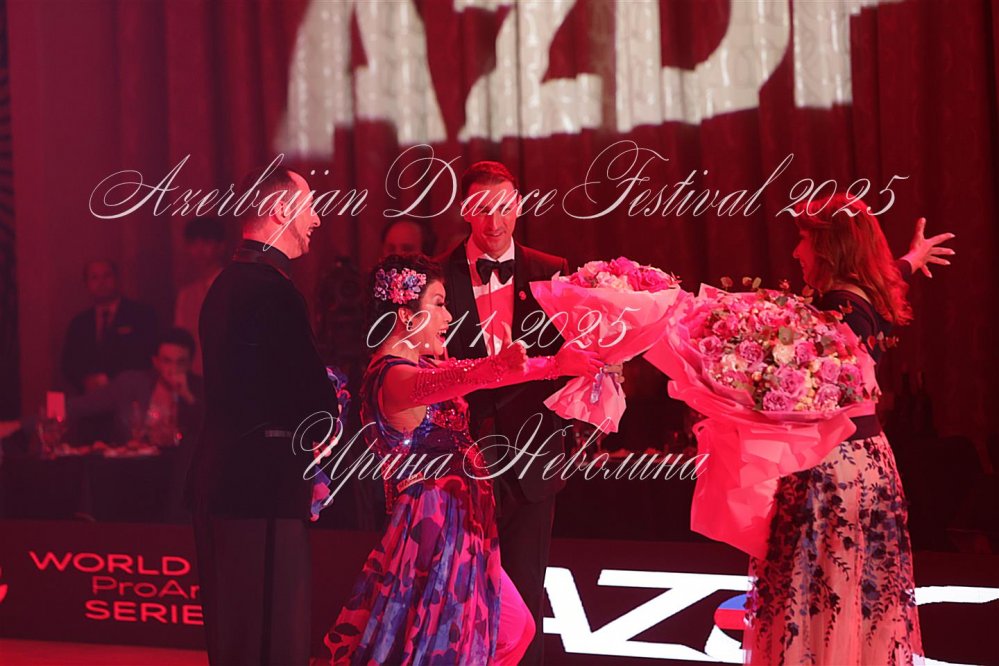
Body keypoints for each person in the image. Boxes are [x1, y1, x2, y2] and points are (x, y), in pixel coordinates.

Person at [324, 254, 602, 665]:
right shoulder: (392, 376)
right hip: (433, 530)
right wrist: (496, 365)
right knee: (444, 647)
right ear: (406, 315)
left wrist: (556, 365)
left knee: (511, 631)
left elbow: (470, 373)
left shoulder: (425, 365)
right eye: (438, 304)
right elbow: (461, 378)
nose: (449, 316)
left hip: (463, 526)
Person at [743, 194, 955, 665]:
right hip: (866, 461)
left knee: (824, 598)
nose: (796, 252)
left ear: (829, 246)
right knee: (855, 599)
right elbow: (877, 290)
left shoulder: (838, 308)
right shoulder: (863, 296)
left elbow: (825, 378)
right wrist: (910, 259)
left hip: (831, 469)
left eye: (803, 239)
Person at [187, 166, 338, 665]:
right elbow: (312, 403)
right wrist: (331, 404)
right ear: (279, 211)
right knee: (271, 642)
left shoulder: (226, 284)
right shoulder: (271, 289)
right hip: (263, 490)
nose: (316, 219)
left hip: (225, 481)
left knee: (236, 639)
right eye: (309, 206)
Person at [436, 161, 570, 664]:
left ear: (519, 207)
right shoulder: (437, 274)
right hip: (461, 458)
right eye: (481, 210)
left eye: (503, 208)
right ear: (465, 211)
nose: (493, 223)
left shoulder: (551, 269)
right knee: (464, 595)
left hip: (535, 457)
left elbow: (572, 355)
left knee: (527, 596)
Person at [0, 327, 203, 446]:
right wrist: (19, 425)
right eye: (167, 361)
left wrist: (187, 396)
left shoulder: (201, 389)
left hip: (181, 477)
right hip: (132, 473)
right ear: (156, 361)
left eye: (180, 362)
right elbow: (77, 407)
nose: (173, 369)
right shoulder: (131, 383)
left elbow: (209, 433)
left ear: (190, 363)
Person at [61, 259, 158, 394]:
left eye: (107, 275)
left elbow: (148, 357)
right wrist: (84, 381)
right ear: (87, 284)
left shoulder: (141, 315)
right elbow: (69, 363)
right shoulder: (79, 324)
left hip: (130, 395)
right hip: (89, 399)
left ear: (117, 279)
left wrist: (113, 381)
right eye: (94, 278)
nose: (101, 282)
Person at [175, 217, 227, 375]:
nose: (199, 249)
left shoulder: (233, 286)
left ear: (221, 246)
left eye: (206, 242)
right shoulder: (186, 295)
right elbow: (181, 339)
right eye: (193, 243)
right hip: (195, 374)